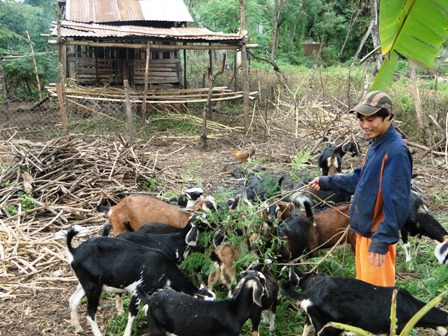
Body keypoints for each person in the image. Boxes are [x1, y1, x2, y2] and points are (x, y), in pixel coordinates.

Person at [308, 91, 412, 286]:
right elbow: (359, 179)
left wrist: (382, 240)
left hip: (376, 236)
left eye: (371, 119)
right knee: (365, 294)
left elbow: (398, 202)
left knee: (377, 299)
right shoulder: (377, 144)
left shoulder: (395, 151)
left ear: (387, 115)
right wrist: (326, 181)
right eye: (361, 119)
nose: (364, 125)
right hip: (364, 233)